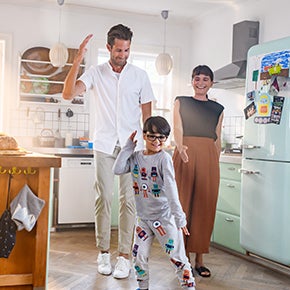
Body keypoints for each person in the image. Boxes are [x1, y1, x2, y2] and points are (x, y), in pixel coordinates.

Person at [62, 24, 156, 279]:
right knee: (104, 197)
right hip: (104, 144)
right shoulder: (96, 72)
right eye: (118, 50)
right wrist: (77, 60)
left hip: (131, 146)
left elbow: (148, 114)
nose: (123, 55)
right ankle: (103, 251)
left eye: (126, 50)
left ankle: (124, 256)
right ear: (108, 48)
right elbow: (68, 93)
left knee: (129, 202)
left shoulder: (140, 76)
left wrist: (149, 145)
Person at [113, 116, 196, 290]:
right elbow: (118, 169)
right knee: (138, 257)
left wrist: (180, 219)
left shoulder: (164, 159)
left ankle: (189, 287)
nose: (157, 141)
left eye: (162, 137)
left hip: (165, 218)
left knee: (177, 258)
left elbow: (172, 190)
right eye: (152, 136)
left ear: (166, 138)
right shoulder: (136, 157)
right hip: (143, 219)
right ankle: (143, 287)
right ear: (144, 135)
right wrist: (128, 148)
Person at [172, 65, 224, 278]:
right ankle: (182, 258)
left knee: (205, 205)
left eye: (205, 79)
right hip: (185, 152)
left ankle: (200, 259)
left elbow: (217, 136)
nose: (200, 82)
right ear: (192, 81)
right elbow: (177, 127)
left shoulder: (218, 108)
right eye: (197, 78)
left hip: (208, 157)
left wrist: (215, 159)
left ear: (211, 83)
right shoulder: (181, 101)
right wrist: (180, 146)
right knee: (182, 205)